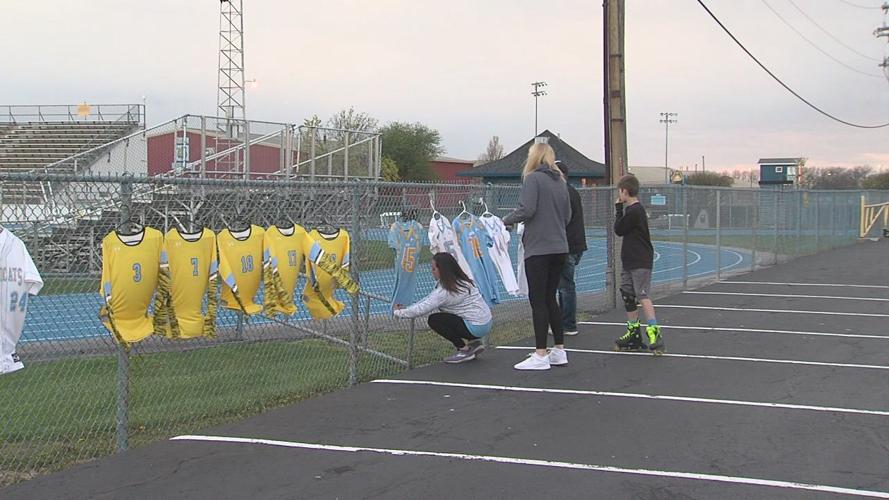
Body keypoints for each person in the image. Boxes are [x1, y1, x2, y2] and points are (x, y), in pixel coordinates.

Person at [503, 142, 572, 370]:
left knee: (538, 300)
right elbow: (567, 216)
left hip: (539, 248)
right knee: (551, 297)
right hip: (559, 247)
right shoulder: (561, 181)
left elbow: (527, 209)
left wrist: (506, 220)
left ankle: (540, 353)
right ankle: (559, 350)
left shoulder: (532, 179)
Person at [394, 252, 492, 364]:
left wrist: (398, 312)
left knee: (434, 320)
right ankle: (474, 343)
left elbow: (422, 308)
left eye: (434, 269)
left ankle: (464, 350)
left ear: (443, 270)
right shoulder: (463, 280)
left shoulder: (445, 292)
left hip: (475, 327)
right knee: (459, 313)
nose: (432, 271)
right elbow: (428, 299)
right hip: (486, 322)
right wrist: (407, 308)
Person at [612, 174, 664, 354]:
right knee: (627, 294)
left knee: (642, 295)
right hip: (629, 260)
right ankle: (633, 331)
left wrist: (618, 208)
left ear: (625, 192)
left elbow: (619, 229)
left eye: (620, 192)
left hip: (640, 260)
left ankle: (654, 331)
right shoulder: (632, 211)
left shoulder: (635, 211)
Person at [555, 160, 587, 336]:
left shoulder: (564, 193)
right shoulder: (571, 192)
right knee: (564, 284)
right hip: (574, 244)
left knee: (566, 286)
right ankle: (563, 321)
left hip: (568, 245)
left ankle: (568, 324)